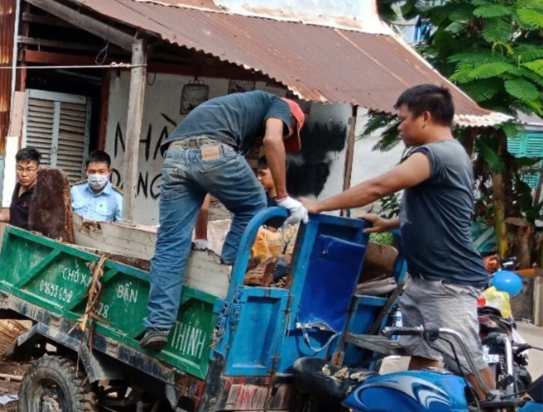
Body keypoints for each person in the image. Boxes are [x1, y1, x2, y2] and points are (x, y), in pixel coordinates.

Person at [300, 84, 494, 392]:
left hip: (448, 282)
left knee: (466, 360)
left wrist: (320, 204)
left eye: (403, 119)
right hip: (425, 279)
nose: (399, 127)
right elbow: (440, 213)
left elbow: (378, 186)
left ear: (425, 117)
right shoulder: (451, 153)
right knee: (420, 354)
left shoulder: (435, 154)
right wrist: (389, 223)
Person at [141, 91, 308, 351]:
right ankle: (228, 271)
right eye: (289, 133)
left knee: (171, 242)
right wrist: (284, 196)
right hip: (210, 150)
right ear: (290, 120)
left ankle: (158, 326)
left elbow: (205, 188)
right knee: (254, 205)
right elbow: (272, 139)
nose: (283, 139)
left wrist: (202, 237)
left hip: (174, 154)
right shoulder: (280, 105)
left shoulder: (237, 113)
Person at [0, 147, 40, 228]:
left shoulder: (40, 194)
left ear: (38, 170)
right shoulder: (18, 187)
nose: (24, 174)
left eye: (29, 169)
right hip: (12, 238)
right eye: (20, 169)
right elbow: (15, 215)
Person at [70, 150, 123, 222]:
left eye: (101, 172)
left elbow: (121, 228)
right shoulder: (76, 190)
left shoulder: (118, 197)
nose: (96, 175)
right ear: (86, 171)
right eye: (92, 171)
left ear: (109, 172)